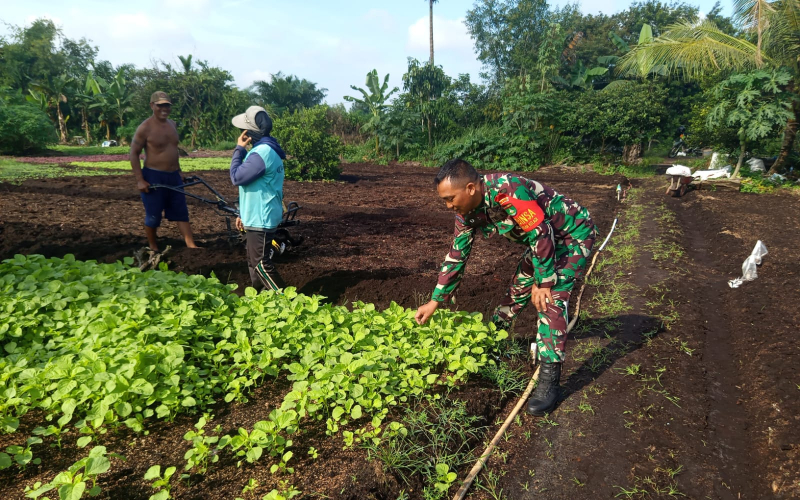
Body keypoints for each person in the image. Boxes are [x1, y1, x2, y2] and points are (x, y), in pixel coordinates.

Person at [414, 159, 597, 416]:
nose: (448, 205)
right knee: (517, 290)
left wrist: (543, 282)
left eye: (450, 198)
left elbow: (540, 230)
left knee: (550, 300)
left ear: (470, 188)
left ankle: (549, 382)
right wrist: (435, 300)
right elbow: (457, 254)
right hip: (544, 242)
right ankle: (493, 344)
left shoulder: (507, 189)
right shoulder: (466, 212)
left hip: (570, 235)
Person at [130, 91, 198, 252]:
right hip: (153, 176)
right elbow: (133, 153)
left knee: (181, 211)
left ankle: (191, 245)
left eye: (167, 105)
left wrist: (179, 171)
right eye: (160, 105)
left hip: (173, 176)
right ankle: (153, 246)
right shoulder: (145, 128)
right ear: (152, 105)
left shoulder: (172, 124)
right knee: (153, 215)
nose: (164, 108)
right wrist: (140, 180)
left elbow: (173, 150)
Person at [229, 105, 287, 292]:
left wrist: (239, 149)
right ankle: (260, 300)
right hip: (258, 214)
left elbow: (237, 177)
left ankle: (288, 302)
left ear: (249, 132)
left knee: (260, 263)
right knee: (253, 261)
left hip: (261, 216)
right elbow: (254, 186)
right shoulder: (269, 149)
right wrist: (242, 214)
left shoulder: (262, 153)